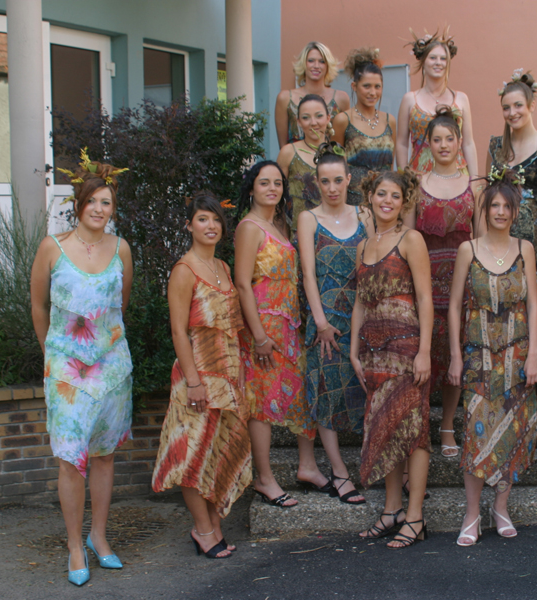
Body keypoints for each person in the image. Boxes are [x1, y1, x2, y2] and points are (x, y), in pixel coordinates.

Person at [30, 149, 133, 586]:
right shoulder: (51, 248)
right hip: (66, 371)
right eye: (92, 200)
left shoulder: (121, 248)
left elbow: (121, 305)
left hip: (112, 366)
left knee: (104, 456)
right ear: (78, 204)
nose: (98, 208)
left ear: (113, 208)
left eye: (106, 202)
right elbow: (39, 306)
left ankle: (99, 536)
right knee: (72, 460)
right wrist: (51, 355)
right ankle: (75, 544)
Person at [152, 192, 253, 559]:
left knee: (217, 453)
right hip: (196, 376)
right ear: (189, 225)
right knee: (193, 456)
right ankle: (203, 530)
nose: (211, 226)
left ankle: (214, 527)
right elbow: (178, 331)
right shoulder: (184, 270)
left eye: (215, 220)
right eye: (202, 219)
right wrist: (193, 382)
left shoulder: (223, 267)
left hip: (227, 375)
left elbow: (233, 328)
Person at [447, 168, 537, 546]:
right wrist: (455, 356)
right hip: (478, 359)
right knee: (475, 434)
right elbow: (454, 306)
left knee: (514, 434)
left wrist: (534, 355)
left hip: (517, 359)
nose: (500, 212)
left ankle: (501, 508)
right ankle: (472, 514)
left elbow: (533, 305)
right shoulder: (467, 250)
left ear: (515, 212)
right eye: (494, 206)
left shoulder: (525, 249)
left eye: (506, 206)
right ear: (484, 210)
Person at [235, 161, 325, 508]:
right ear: (252, 188)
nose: (272, 188)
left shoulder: (279, 224)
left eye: (277, 183)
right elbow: (243, 284)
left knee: (300, 395)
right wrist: (258, 336)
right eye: (264, 183)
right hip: (263, 328)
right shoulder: (249, 227)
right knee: (262, 402)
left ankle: (307, 466)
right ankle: (265, 478)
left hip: (289, 326)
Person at [351, 169, 434, 548]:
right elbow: (360, 301)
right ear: (370, 197)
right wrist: (354, 348)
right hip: (373, 353)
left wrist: (425, 352)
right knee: (386, 427)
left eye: (395, 196)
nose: (387, 201)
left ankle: (415, 518)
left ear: (404, 202)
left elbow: (425, 298)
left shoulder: (411, 239)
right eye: (381, 194)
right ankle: (391, 511)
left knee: (413, 430)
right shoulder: (363, 246)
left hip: (406, 350)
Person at [298, 143, 375, 504]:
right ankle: (340, 473)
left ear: (348, 180)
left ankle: (379, 463)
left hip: (362, 318)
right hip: (326, 322)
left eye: (338, 180)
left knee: (367, 390)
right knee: (327, 394)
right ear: (316, 182)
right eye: (325, 181)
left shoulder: (365, 215)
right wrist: (320, 322)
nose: (332, 188)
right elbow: (308, 275)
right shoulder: (308, 219)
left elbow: (374, 264)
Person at [403, 106, 476, 459]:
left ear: (459, 141)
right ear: (427, 144)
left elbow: (481, 237)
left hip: (461, 284)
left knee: (453, 354)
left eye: (450, 138)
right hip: (424, 282)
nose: (444, 144)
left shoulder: (474, 185)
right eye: (437, 139)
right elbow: (406, 235)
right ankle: (418, 426)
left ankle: (447, 425)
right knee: (421, 351)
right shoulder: (416, 184)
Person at [486, 69, 537, 323]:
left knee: (526, 310)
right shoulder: (495, 147)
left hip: (531, 243)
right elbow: (487, 194)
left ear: (532, 105)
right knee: (496, 306)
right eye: (506, 108)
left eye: (518, 105)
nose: (512, 113)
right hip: (497, 239)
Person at [395, 28, 478, 177]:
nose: (438, 63)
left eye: (443, 58)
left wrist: (475, 180)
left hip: (457, 176)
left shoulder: (461, 99)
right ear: (423, 61)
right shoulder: (410, 99)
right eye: (433, 58)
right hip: (420, 175)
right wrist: (403, 178)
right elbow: (402, 143)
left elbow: (468, 143)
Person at [331, 47, 396, 205]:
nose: (373, 92)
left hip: (385, 203)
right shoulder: (342, 120)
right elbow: (336, 167)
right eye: (367, 86)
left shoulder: (390, 121)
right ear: (354, 86)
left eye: (377, 86)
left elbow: (391, 166)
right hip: (354, 202)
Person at [274, 41, 350, 148]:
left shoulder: (341, 98)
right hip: (295, 157)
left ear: (328, 65)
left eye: (322, 61)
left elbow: (344, 143)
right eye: (311, 61)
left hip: (330, 157)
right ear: (303, 63)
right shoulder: (285, 98)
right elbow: (283, 146)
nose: (316, 66)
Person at [278, 94, 332, 233]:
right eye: (306, 117)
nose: (313, 123)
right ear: (299, 122)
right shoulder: (288, 152)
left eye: (319, 116)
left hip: (332, 232)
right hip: (297, 233)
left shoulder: (338, 153)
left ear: (328, 118)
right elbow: (277, 198)